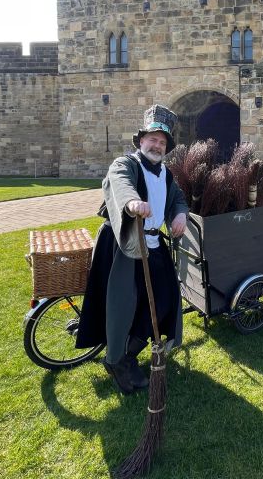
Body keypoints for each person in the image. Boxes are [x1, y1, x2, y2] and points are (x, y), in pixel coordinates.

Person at [76, 104, 188, 395]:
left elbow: (177, 198)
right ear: (141, 141)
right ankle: (116, 360)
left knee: (164, 299)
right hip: (123, 245)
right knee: (124, 305)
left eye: (162, 142)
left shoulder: (167, 173)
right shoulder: (126, 163)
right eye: (152, 139)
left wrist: (179, 214)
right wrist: (131, 202)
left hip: (152, 244)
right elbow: (120, 183)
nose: (157, 145)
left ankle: (127, 355)